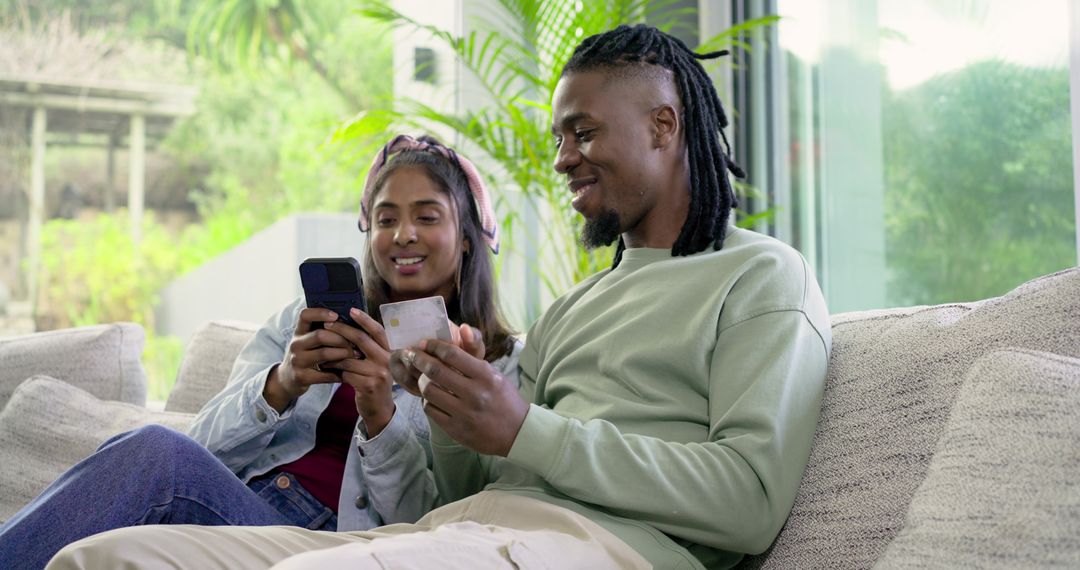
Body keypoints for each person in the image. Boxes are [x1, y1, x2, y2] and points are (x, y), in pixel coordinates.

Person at [46, 24, 831, 570]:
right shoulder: (576, 308)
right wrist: (457, 413)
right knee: (99, 556)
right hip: (461, 530)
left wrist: (520, 426)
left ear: (664, 125)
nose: (563, 159)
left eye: (582, 133)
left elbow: (752, 502)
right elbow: (463, 491)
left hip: (588, 549)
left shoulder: (761, 278)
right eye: (559, 138)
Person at [0, 134, 519, 570]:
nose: (403, 235)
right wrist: (281, 384)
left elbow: (434, 525)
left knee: (154, 452)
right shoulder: (300, 322)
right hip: (237, 505)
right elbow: (203, 446)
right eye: (386, 219)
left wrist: (382, 414)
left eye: (427, 217)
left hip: (327, 544)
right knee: (152, 462)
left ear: (467, 237)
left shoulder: (493, 366)